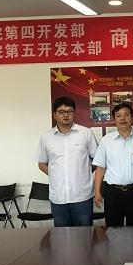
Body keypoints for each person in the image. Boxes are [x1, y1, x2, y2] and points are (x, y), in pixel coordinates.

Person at [35, 96, 99, 227]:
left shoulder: (86, 133)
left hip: (82, 196)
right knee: (61, 235)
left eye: (69, 111)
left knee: (84, 234)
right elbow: (41, 163)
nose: (66, 115)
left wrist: (84, 172)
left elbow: (97, 160)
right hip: (58, 197)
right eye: (61, 112)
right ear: (54, 114)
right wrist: (56, 174)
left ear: (74, 113)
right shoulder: (46, 137)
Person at [92, 103, 133, 226]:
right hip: (112, 192)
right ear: (114, 119)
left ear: (132, 117)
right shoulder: (106, 140)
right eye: (118, 116)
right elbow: (100, 168)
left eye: (126, 115)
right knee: (113, 229)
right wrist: (97, 192)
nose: (122, 118)